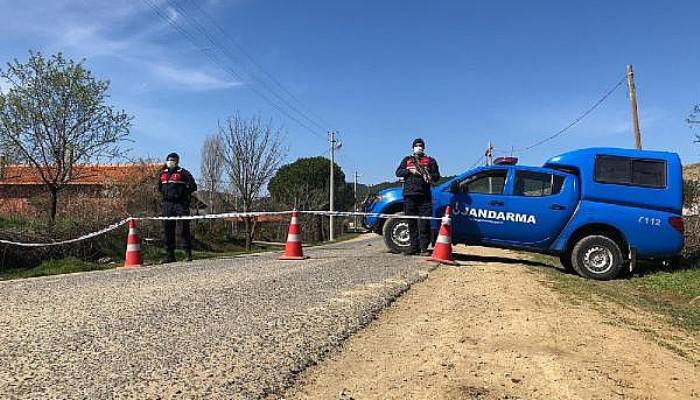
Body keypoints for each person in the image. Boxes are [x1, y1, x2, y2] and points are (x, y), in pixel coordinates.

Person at [395, 138, 441, 255]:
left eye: (421, 145)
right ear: (413, 147)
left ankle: (424, 248)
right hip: (409, 195)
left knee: (424, 223)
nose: (419, 147)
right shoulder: (407, 160)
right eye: (417, 145)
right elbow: (398, 172)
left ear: (424, 147)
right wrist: (410, 171)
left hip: (424, 196)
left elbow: (437, 176)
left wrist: (429, 175)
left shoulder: (430, 161)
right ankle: (413, 248)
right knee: (411, 223)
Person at [158, 152, 197, 263]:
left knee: (183, 228)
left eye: (172, 160)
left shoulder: (183, 173)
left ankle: (187, 253)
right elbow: (159, 188)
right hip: (167, 204)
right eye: (169, 160)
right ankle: (169, 255)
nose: (170, 162)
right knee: (167, 229)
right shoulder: (162, 174)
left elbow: (193, 186)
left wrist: (183, 193)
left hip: (181, 204)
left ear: (177, 161)